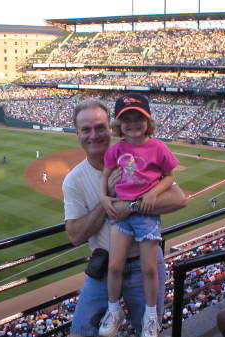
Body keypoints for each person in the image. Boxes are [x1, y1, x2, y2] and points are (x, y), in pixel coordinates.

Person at [63, 98, 187, 337]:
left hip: (144, 263)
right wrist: (106, 198)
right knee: (79, 332)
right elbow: (75, 235)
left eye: (100, 127)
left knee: (148, 331)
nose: (94, 135)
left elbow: (178, 198)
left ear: (110, 128)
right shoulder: (74, 180)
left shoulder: (136, 157)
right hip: (105, 266)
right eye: (86, 129)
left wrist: (130, 206)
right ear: (77, 133)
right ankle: (113, 311)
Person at [98, 93, 178, 337]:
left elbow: (170, 176)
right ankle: (114, 311)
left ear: (148, 121)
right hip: (122, 213)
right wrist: (103, 197)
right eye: (126, 119)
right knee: (114, 267)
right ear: (119, 124)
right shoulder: (116, 149)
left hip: (146, 216)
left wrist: (153, 194)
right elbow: (105, 175)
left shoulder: (158, 147)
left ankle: (151, 317)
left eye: (138, 118)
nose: (132, 123)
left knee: (149, 269)